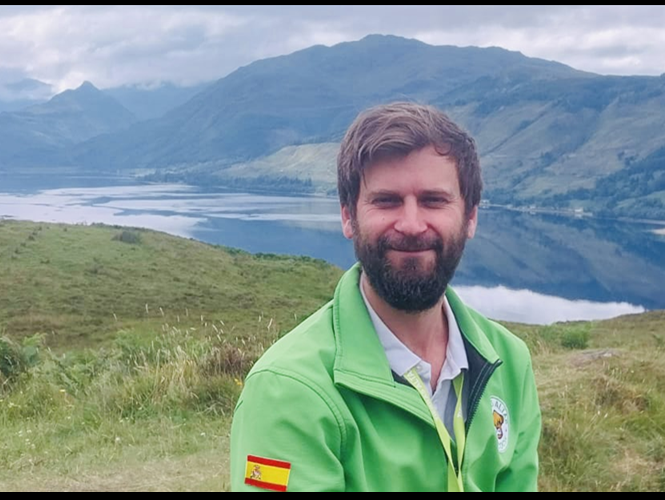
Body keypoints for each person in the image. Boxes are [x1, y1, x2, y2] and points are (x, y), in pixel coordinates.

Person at [229, 102, 541, 492]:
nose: (411, 225)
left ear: (471, 217)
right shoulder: (288, 389)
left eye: (433, 200)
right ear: (348, 216)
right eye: (386, 200)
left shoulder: (508, 362)